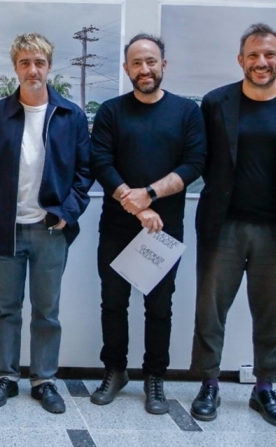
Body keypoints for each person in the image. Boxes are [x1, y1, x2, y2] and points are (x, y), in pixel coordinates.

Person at [189, 23, 276, 428]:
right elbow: (203, 160)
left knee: (272, 313)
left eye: (269, 55)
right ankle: (209, 384)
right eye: (254, 55)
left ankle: (265, 388)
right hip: (222, 226)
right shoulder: (215, 103)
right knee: (211, 311)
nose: (262, 62)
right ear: (241, 59)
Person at [0, 32, 93, 414]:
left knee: (46, 311)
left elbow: (85, 174)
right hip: (5, 228)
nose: (33, 69)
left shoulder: (70, 115)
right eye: (25, 63)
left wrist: (66, 212)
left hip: (50, 230)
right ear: (15, 68)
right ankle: (5, 377)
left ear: (49, 66)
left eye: (39, 62)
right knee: (5, 308)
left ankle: (43, 380)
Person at [89, 33, 206, 414]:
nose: (144, 69)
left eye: (151, 61)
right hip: (118, 226)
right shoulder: (110, 111)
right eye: (136, 63)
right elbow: (101, 163)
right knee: (113, 303)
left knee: (159, 307)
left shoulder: (187, 113)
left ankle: (155, 378)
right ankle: (115, 370)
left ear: (163, 65)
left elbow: (194, 164)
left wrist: (151, 195)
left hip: (165, 229)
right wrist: (137, 206)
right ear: (126, 69)